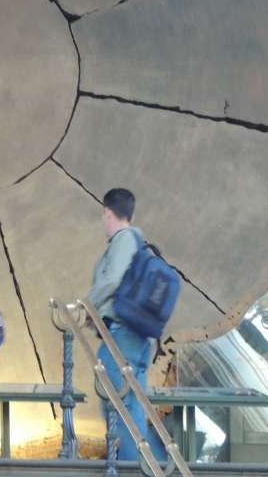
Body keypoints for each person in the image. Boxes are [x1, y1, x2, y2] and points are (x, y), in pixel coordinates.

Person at [87, 187, 167, 463]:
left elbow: (111, 279)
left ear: (108, 213)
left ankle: (136, 467)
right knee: (131, 407)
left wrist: (86, 306)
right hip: (138, 337)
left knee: (118, 406)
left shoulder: (123, 240)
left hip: (122, 335)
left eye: (103, 215)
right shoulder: (139, 242)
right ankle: (149, 465)